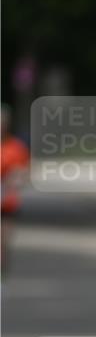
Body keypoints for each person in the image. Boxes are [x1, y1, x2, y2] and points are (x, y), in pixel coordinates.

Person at [1, 104, 30, 272]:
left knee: (3, 241)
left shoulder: (16, 147)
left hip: (7, 203)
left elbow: (24, 172)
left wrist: (15, 178)